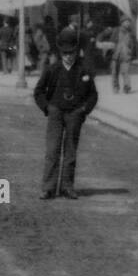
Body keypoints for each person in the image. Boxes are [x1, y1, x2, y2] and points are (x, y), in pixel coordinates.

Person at [33, 26, 98, 199]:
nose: (68, 56)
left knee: (70, 152)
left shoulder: (83, 71)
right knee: (52, 150)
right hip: (56, 112)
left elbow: (93, 95)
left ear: (77, 51)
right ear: (60, 52)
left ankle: (67, 186)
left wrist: (83, 110)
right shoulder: (52, 70)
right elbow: (38, 91)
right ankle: (48, 187)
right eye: (65, 53)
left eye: (72, 52)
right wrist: (47, 107)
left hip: (74, 114)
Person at [110, 16, 136, 95]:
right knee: (115, 72)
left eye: (129, 22)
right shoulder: (116, 30)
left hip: (126, 56)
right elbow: (111, 41)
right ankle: (115, 87)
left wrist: (131, 53)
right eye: (126, 22)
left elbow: (133, 45)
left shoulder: (131, 33)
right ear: (122, 22)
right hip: (116, 55)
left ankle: (127, 87)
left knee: (126, 72)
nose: (128, 24)